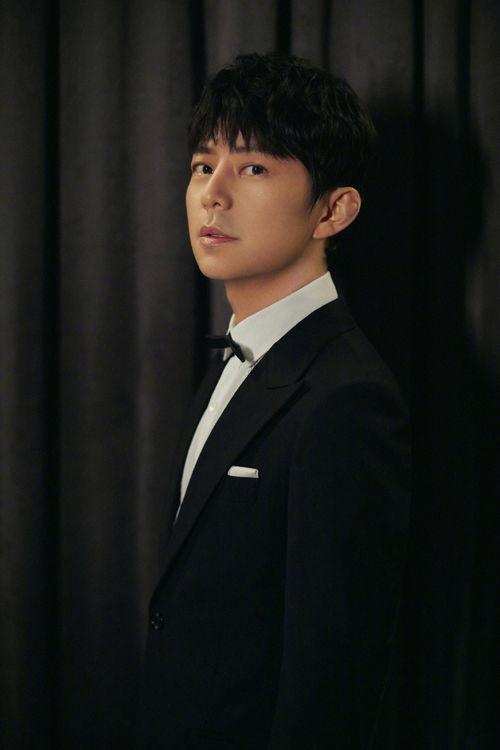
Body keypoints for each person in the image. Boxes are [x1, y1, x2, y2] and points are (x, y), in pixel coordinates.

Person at [139, 52, 411, 750]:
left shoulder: (347, 398)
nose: (213, 194)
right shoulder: (239, 352)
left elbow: (332, 683)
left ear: (334, 209)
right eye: (203, 165)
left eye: (253, 168)